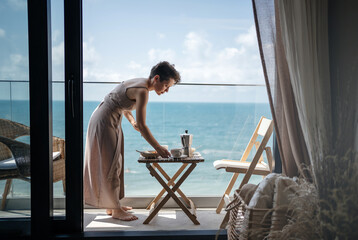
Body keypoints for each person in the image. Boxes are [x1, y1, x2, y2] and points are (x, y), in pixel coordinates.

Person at [83, 61, 181, 221]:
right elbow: (143, 125)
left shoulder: (139, 82)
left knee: (114, 161)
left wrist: (132, 121)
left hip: (108, 118)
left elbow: (120, 102)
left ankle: (112, 204)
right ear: (156, 78)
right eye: (166, 85)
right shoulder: (143, 91)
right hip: (105, 121)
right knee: (111, 164)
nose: (167, 90)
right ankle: (115, 210)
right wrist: (158, 147)